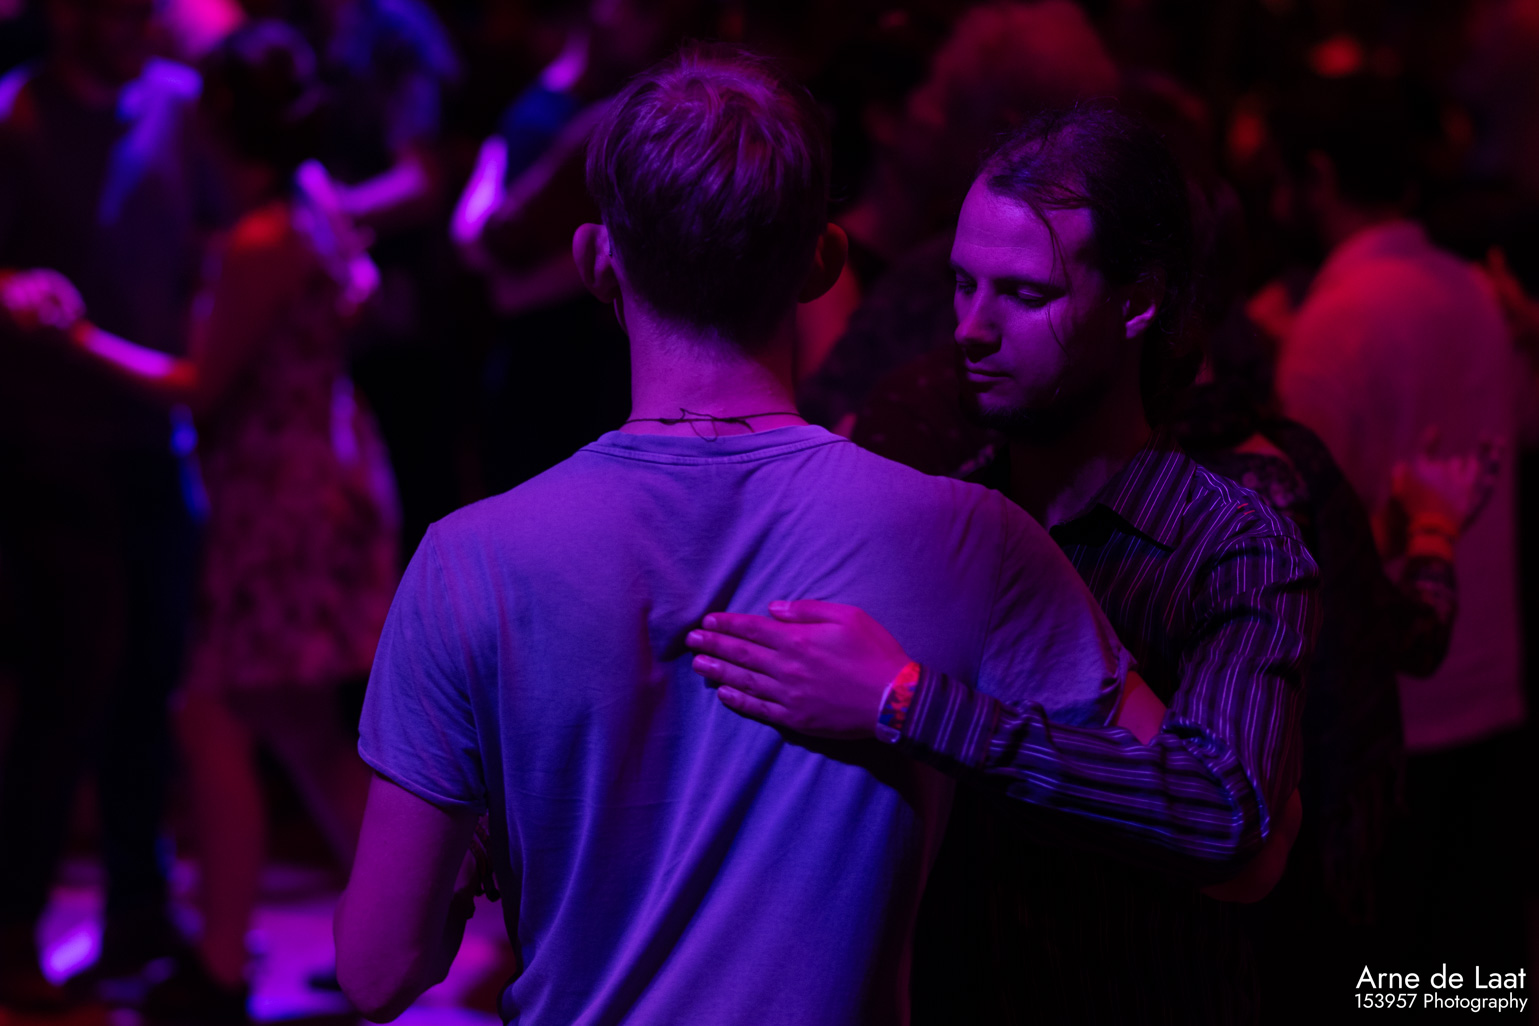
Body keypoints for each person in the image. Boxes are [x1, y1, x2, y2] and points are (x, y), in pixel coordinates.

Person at [334, 47, 1140, 1025]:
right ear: (823, 262)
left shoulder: (468, 561)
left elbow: (378, 971)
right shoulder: (971, 541)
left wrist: (474, 859)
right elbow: (1201, 816)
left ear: (595, 261)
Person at [689, 104, 1320, 1024]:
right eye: (961, 284)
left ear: (1137, 301)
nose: (971, 328)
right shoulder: (937, 519)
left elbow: (1223, 814)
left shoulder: (1230, 546)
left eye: (1025, 295)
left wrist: (907, 702)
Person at [48, 21, 399, 1023]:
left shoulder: (262, 241)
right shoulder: (312, 204)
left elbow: (199, 385)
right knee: (301, 728)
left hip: (273, 508)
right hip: (315, 484)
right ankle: (400, 939)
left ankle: (218, 968)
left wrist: (74, 334)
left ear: (220, 123)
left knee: (212, 714)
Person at [1271, 76, 1527, 973]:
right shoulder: (1469, 288)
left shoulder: (1333, 320)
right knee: (1474, 978)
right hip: (1489, 683)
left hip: (1390, 715)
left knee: (1376, 982)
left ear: (1316, 176)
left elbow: (1306, 539)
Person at [0, 0, 221, 1008]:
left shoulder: (182, 106)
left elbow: (225, 232)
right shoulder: (17, 116)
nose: (133, 18)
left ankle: (138, 917)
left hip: (159, 446)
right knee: (62, 698)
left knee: (153, 691)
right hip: (51, 452)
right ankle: (13, 930)